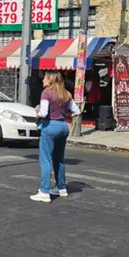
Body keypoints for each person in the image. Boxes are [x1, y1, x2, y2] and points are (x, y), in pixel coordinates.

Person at [31, 71, 81, 204]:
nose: (43, 81)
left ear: (50, 80)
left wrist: (37, 111)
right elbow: (77, 111)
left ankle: (44, 191)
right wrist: (66, 116)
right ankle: (61, 188)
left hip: (50, 127)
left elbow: (43, 112)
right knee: (59, 159)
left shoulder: (46, 93)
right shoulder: (66, 94)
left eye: (45, 78)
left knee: (45, 160)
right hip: (63, 127)